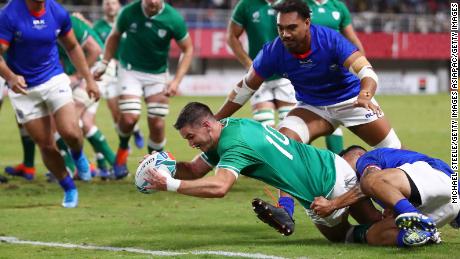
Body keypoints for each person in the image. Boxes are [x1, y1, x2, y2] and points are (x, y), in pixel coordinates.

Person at [214, 0, 402, 234]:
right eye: (280, 28)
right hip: (312, 106)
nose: (285, 33)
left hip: (351, 100)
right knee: (283, 140)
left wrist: (365, 94)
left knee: (394, 150)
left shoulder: (330, 40)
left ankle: (410, 207)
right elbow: (244, 88)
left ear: (307, 23)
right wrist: (216, 119)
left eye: (291, 27)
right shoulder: (274, 50)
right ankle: (285, 208)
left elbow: (366, 70)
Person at [142, 102, 435, 247]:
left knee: (375, 230)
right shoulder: (228, 127)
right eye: (187, 141)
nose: (191, 144)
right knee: (338, 236)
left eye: (192, 137)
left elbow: (220, 187)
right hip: (318, 180)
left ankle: (423, 225)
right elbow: (194, 169)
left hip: (328, 177)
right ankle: (407, 223)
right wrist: (164, 166)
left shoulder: (235, 145)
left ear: (207, 125)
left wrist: (168, 184)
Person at [0, 0, 100, 207]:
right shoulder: (9, 15)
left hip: (53, 79)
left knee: (71, 132)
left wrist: (89, 80)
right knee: (46, 144)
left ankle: (78, 155)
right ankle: (69, 187)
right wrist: (10, 77)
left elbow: (72, 46)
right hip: (23, 88)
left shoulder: (57, 12)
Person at [94, 0, 193, 179]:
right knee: (130, 117)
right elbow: (114, 36)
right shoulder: (128, 12)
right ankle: (123, 148)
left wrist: (176, 81)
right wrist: (104, 63)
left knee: (157, 123)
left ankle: (154, 166)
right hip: (129, 70)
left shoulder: (173, 18)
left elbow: (188, 49)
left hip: (157, 74)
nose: (152, 2)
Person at [310, 145, 459, 246]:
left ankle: (414, 217)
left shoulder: (367, 158)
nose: (343, 173)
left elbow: (369, 179)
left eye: (344, 164)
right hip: (448, 206)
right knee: (373, 234)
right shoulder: (385, 188)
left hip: (437, 179)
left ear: (357, 154)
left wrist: (333, 204)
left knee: (369, 179)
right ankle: (424, 235)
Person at [307, 0, 366, 154]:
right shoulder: (301, 4)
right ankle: (300, 161)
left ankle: (339, 160)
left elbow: (352, 38)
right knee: (305, 116)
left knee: (333, 112)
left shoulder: (338, 6)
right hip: (306, 68)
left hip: (333, 70)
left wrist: (362, 65)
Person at [227, 0, 296, 128]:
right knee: (266, 131)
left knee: (290, 130)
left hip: (287, 76)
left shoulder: (291, 4)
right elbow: (231, 37)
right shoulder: (246, 5)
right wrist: (249, 65)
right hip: (258, 77)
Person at [93, 0, 145, 150]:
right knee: (116, 113)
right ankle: (126, 144)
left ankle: (135, 130)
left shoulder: (127, 22)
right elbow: (96, 49)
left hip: (127, 72)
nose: (110, 6)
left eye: (113, 3)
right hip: (108, 74)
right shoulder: (98, 27)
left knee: (128, 111)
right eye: (107, 3)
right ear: (103, 6)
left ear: (118, 6)